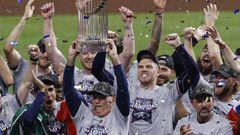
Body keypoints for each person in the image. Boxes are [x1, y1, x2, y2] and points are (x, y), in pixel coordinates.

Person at [63, 38, 130, 134]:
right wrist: (70, 58)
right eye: (95, 97)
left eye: (102, 97)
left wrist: (115, 58)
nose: (97, 101)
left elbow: (123, 89)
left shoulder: (118, 116)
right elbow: (68, 91)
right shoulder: (83, 114)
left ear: (112, 99)